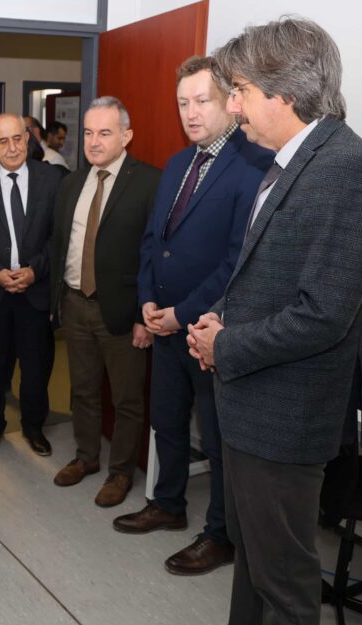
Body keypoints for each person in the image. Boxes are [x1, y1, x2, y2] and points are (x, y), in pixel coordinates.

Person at [168, 18, 362, 625]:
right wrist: (220, 317)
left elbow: (323, 316)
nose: (232, 106)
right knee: (252, 546)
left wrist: (226, 343)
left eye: (239, 91)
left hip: (288, 411)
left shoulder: (347, 172)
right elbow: (267, 276)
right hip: (253, 398)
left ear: (284, 93)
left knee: (288, 580)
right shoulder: (292, 162)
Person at [114, 56, 273, 576]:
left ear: (230, 100)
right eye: (183, 102)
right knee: (167, 422)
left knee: (221, 439)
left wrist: (181, 314)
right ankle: (168, 504)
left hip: (210, 330)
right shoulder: (179, 162)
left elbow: (237, 261)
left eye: (202, 100)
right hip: (164, 326)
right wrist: (147, 300)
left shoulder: (254, 165)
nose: (191, 112)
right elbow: (152, 240)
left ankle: (221, 534)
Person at [49, 96, 160, 507]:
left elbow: (153, 254)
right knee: (83, 389)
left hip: (125, 313)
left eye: (105, 133)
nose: (94, 142)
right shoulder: (71, 183)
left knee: (127, 399)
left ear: (126, 136)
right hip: (75, 303)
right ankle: (86, 456)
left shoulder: (149, 182)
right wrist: (58, 300)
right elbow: (61, 243)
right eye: (88, 133)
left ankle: (121, 472)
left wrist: (144, 316)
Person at [0, 113, 64, 458]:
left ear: (28, 138)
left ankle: (34, 427)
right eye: (3, 141)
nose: (12, 147)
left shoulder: (51, 178)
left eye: (18, 138)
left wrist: (35, 270)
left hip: (36, 292)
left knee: (36, 368)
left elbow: (59, 236)